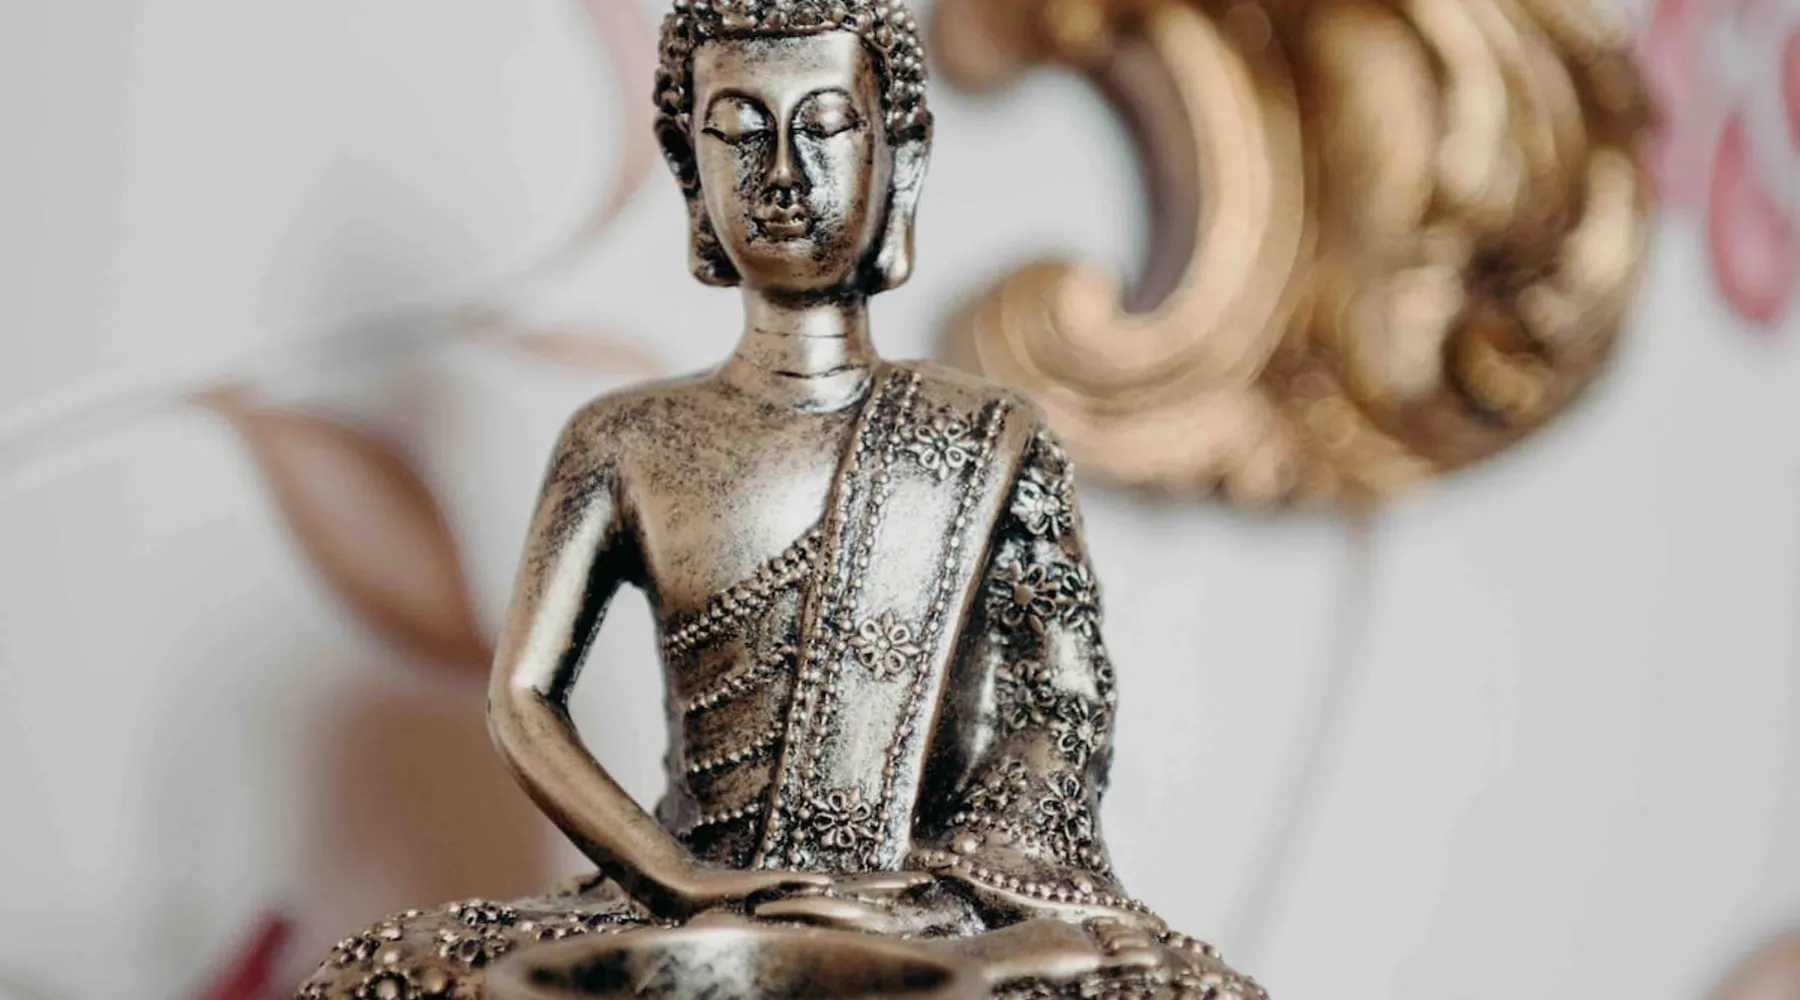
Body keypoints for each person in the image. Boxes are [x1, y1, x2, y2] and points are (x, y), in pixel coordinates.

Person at [296, 3, 1263, 997]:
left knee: (1174, 985)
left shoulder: (985, 434)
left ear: (900, 160)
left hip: (926, 907)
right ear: (690, 171)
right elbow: (524, 700)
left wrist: (931, 897)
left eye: (826, 125)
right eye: (740, 133)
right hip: (683, 908)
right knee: (386, 972)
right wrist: (682, 881)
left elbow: (1055, 714)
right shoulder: (624, 437)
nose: (786, 175)